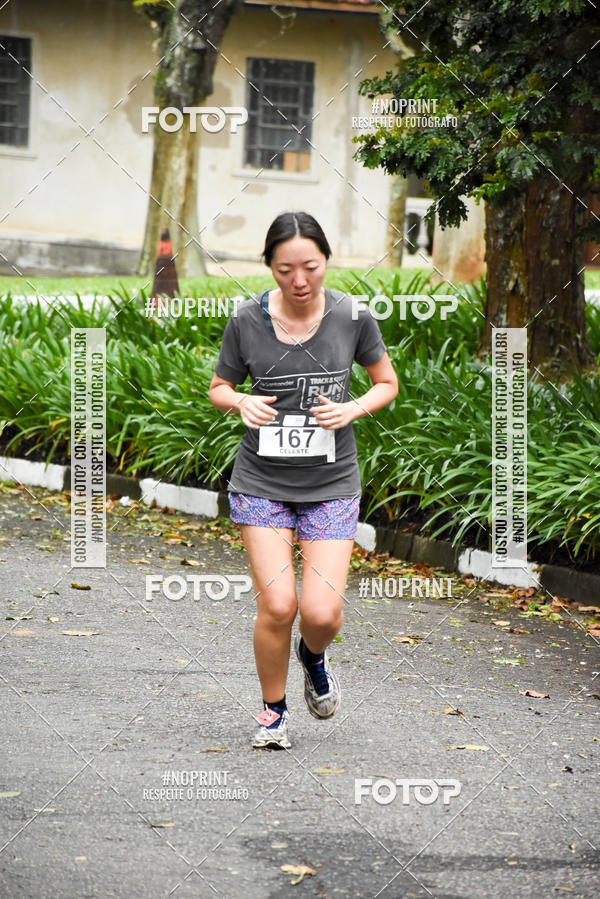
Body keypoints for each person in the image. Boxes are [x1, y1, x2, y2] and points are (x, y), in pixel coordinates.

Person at [208, 211, 398, 750]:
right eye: (284, 268)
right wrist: (240, 399)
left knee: (320, 612)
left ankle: (313, 656)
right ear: (268, 265)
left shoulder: (351, 315)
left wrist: (354, 408)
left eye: (310, 267)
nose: (298, 281)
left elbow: (387, 383)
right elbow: (219, 386)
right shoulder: (247, 319)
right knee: (278, 606)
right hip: (261, 481)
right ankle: (273, 712)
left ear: (326, 262)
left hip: (332, 482)